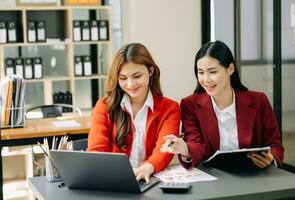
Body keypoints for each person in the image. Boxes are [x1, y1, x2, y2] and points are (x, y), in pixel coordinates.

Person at [161, 40, 284, 169]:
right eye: (201, 72)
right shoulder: (190, 104)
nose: (206, 79)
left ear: (230, 69)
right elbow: (195, 142)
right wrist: (185, 149)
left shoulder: (259, 101)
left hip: (253, 176)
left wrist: (271, 158)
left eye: (213, 72)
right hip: (212, 179)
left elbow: (275, 146)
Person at [88, 43, 180, 182]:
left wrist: (148, 167)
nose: (130, 84)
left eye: (137, 76)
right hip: (114, 180)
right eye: (123, 78)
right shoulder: (104, 106)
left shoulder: (170, 108)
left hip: (150, 179)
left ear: (151, 70)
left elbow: (165, 148)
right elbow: (96, 150)